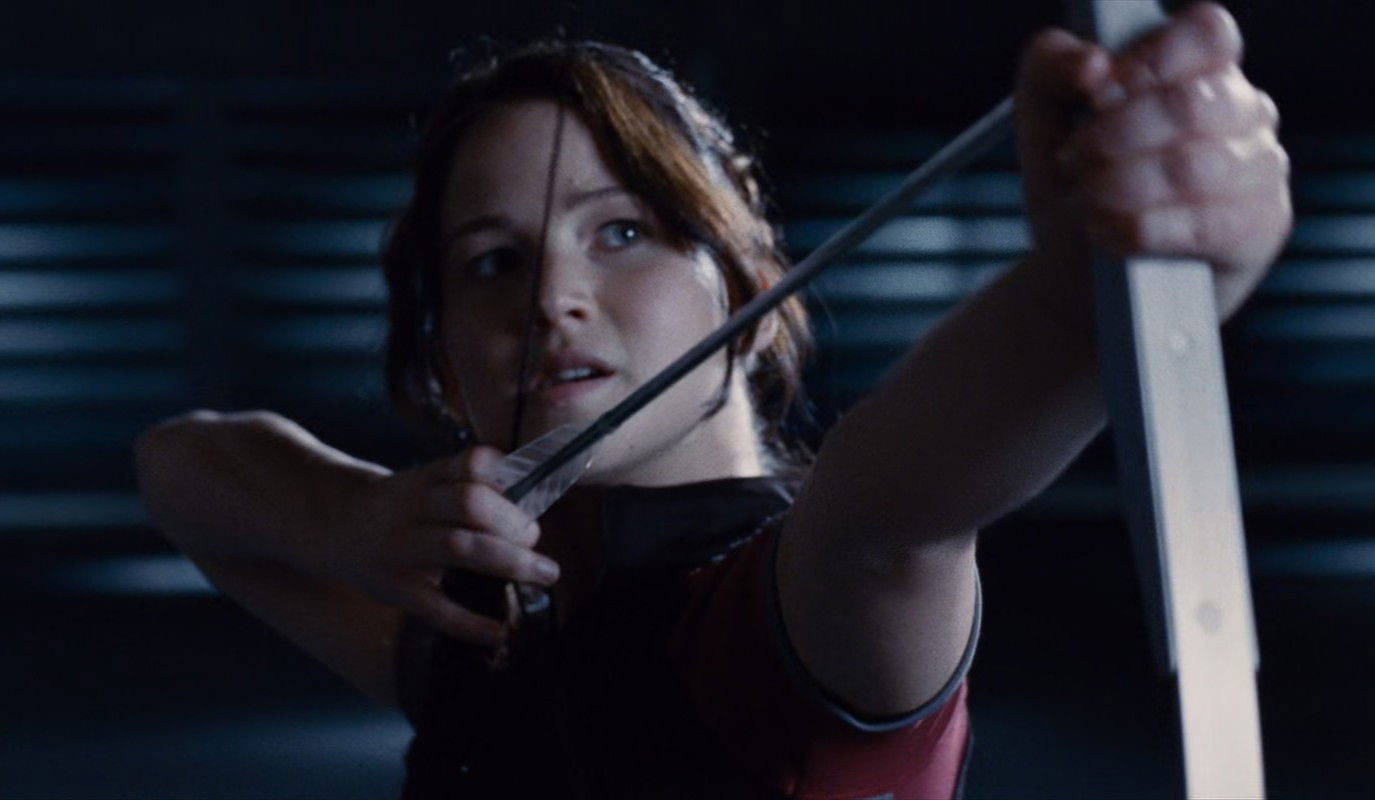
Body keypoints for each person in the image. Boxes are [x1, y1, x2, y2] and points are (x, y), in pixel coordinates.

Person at [133, 4, 1291, 798]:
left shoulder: (789, 608)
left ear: (740, 277)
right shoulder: (482, 630)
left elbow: (886, 517)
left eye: (622, 231)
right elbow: (178, 469)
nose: (552, 296)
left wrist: (1096, 282)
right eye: (492, 260)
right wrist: (354, 518)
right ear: (443, 356)